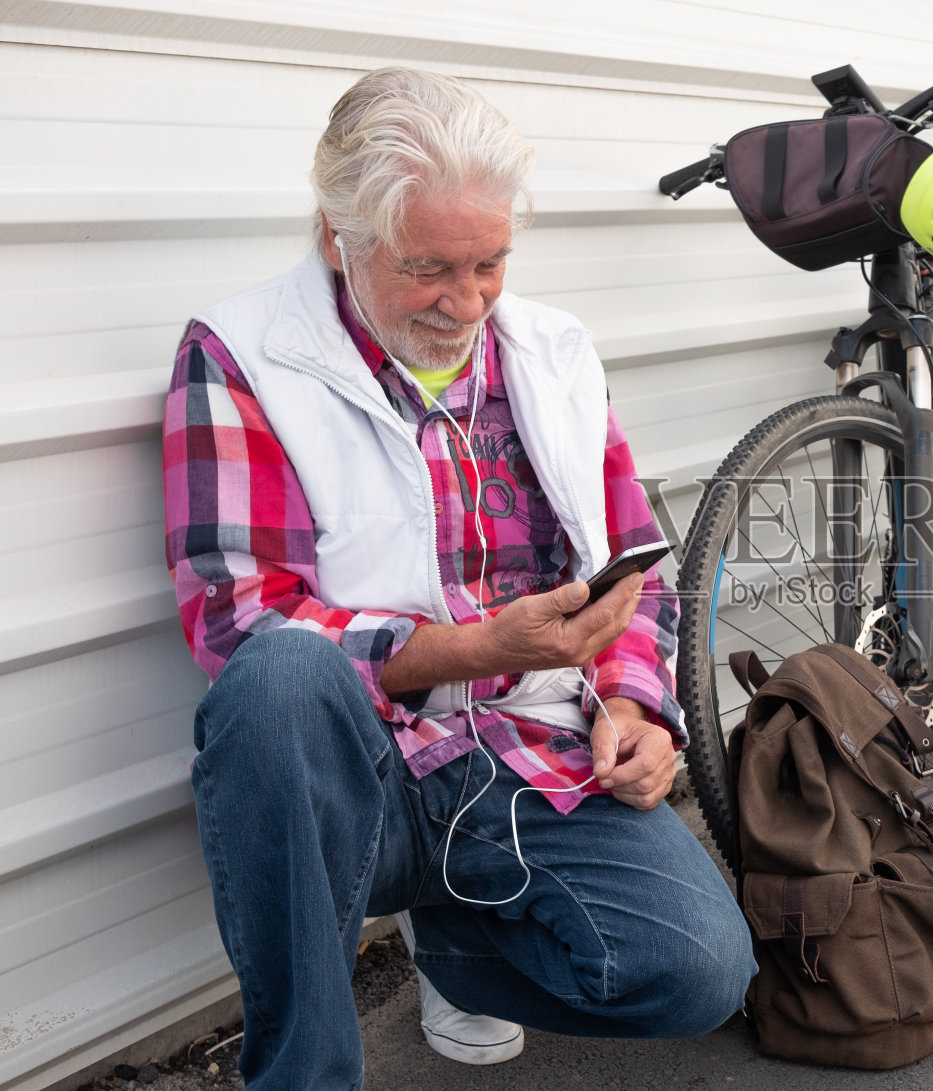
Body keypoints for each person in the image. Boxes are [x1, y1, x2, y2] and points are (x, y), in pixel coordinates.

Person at [162, 67, 754, 1089]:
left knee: (699, 973)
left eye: (491, 262)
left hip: (531, 752)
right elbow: (240, 619)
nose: (468, 300)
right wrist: (475, 649)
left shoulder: (555, 350)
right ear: (337, 235)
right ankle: (305, 1074)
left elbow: (633, 570)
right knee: (277, 680)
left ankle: (457, 942)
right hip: (368, 774)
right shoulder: (244, 353)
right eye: (429, 267)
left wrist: (634, 707)